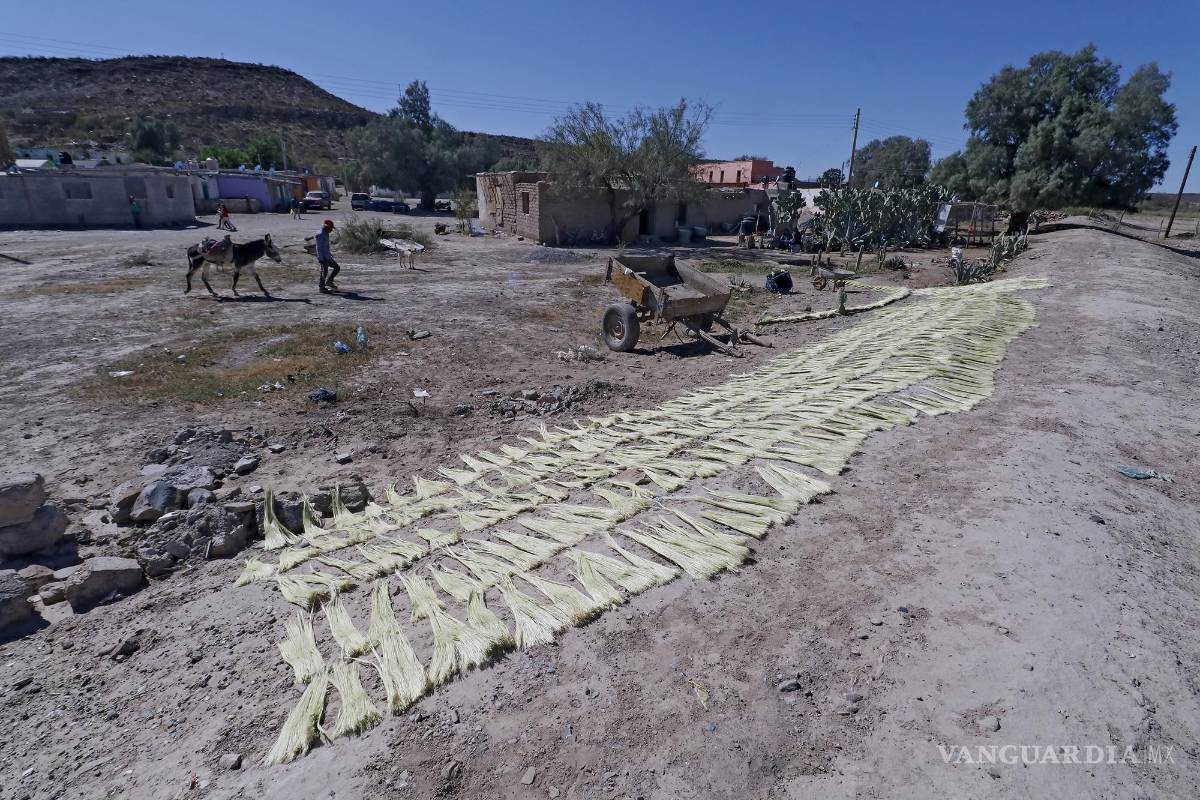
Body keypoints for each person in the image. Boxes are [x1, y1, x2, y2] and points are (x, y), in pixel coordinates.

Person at [314, 218, 340, 292]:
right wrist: (321, 258)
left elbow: (325, 246)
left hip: (327, 256)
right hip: (323, 257)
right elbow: (318, 247)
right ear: (326, 227)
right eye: (330, 228)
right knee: (324, 271)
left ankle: (329, 282)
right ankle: (321, 287)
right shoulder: (321, 234)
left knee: (337, 268)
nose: (331, 230)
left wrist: (329, 254)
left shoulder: (325, 233)